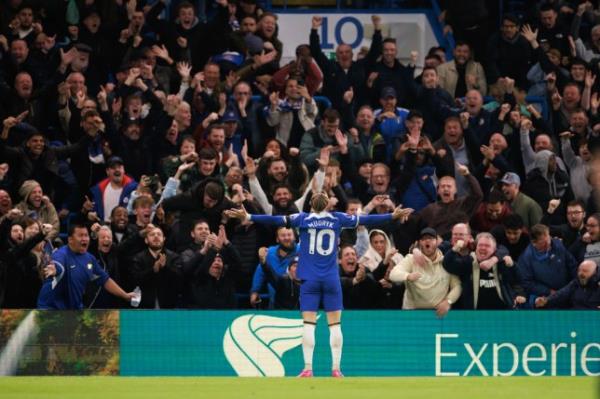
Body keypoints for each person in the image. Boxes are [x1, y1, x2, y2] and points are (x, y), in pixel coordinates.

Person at [226, 191, 412, 377]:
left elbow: (274, 220)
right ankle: (336, 369)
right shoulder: (337, 218)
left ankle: (308, 368)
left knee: (308, 324)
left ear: (312, 204)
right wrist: (392, 215)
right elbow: (367, 220)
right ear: (327, 204)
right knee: (335, 325)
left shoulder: (303, 218)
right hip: (331, 278)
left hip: (310, 280)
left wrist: (249, 216)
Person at [37, 224, 135, 309]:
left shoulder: (89, 259)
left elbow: (105, 280)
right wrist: (54, 270)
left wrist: (125, 295)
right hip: (50, 310)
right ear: (70, 239)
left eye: (86, 235)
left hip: (73, 310)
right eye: (80, 235)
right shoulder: (61, 254)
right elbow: (58, 266)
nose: (84, 239)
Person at [389, 227, 461, 316]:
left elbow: (457, 286)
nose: (427, 241)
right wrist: (408, 276)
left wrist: (448, 301)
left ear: (437, 241)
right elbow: (393, 274)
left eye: (430, 238)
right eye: (423, 239)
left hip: (438, 313)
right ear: (419, 242)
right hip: (412, 313)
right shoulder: (411, 259)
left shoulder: (446, 262)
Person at [534, 260, 600, 309]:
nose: (580, 274)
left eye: (585, 271)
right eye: (579, 270)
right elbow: (560, 294)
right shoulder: (575, 283)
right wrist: (546, 301)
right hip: (576, 317)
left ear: (595, 273)